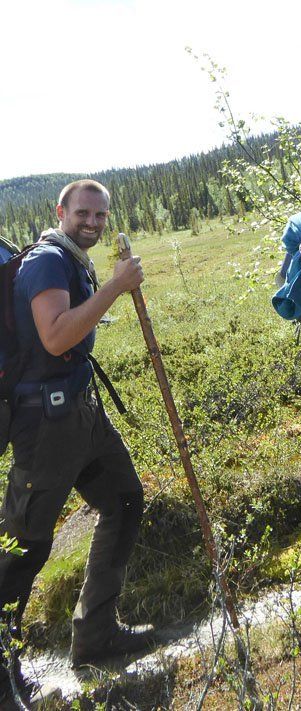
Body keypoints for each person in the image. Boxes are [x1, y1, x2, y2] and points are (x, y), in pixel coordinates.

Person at [0, 179, 152, 700]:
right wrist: (116, 286)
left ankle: (95, 634)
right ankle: (2, 676)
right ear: (60, 211)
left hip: (80, 413)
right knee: (23, 549)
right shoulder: (46, 261)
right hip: (45, 427)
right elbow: (57, 335)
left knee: (125, 500)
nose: (92, 223)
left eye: (100, 215)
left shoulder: (70, 257)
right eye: (83, 213)